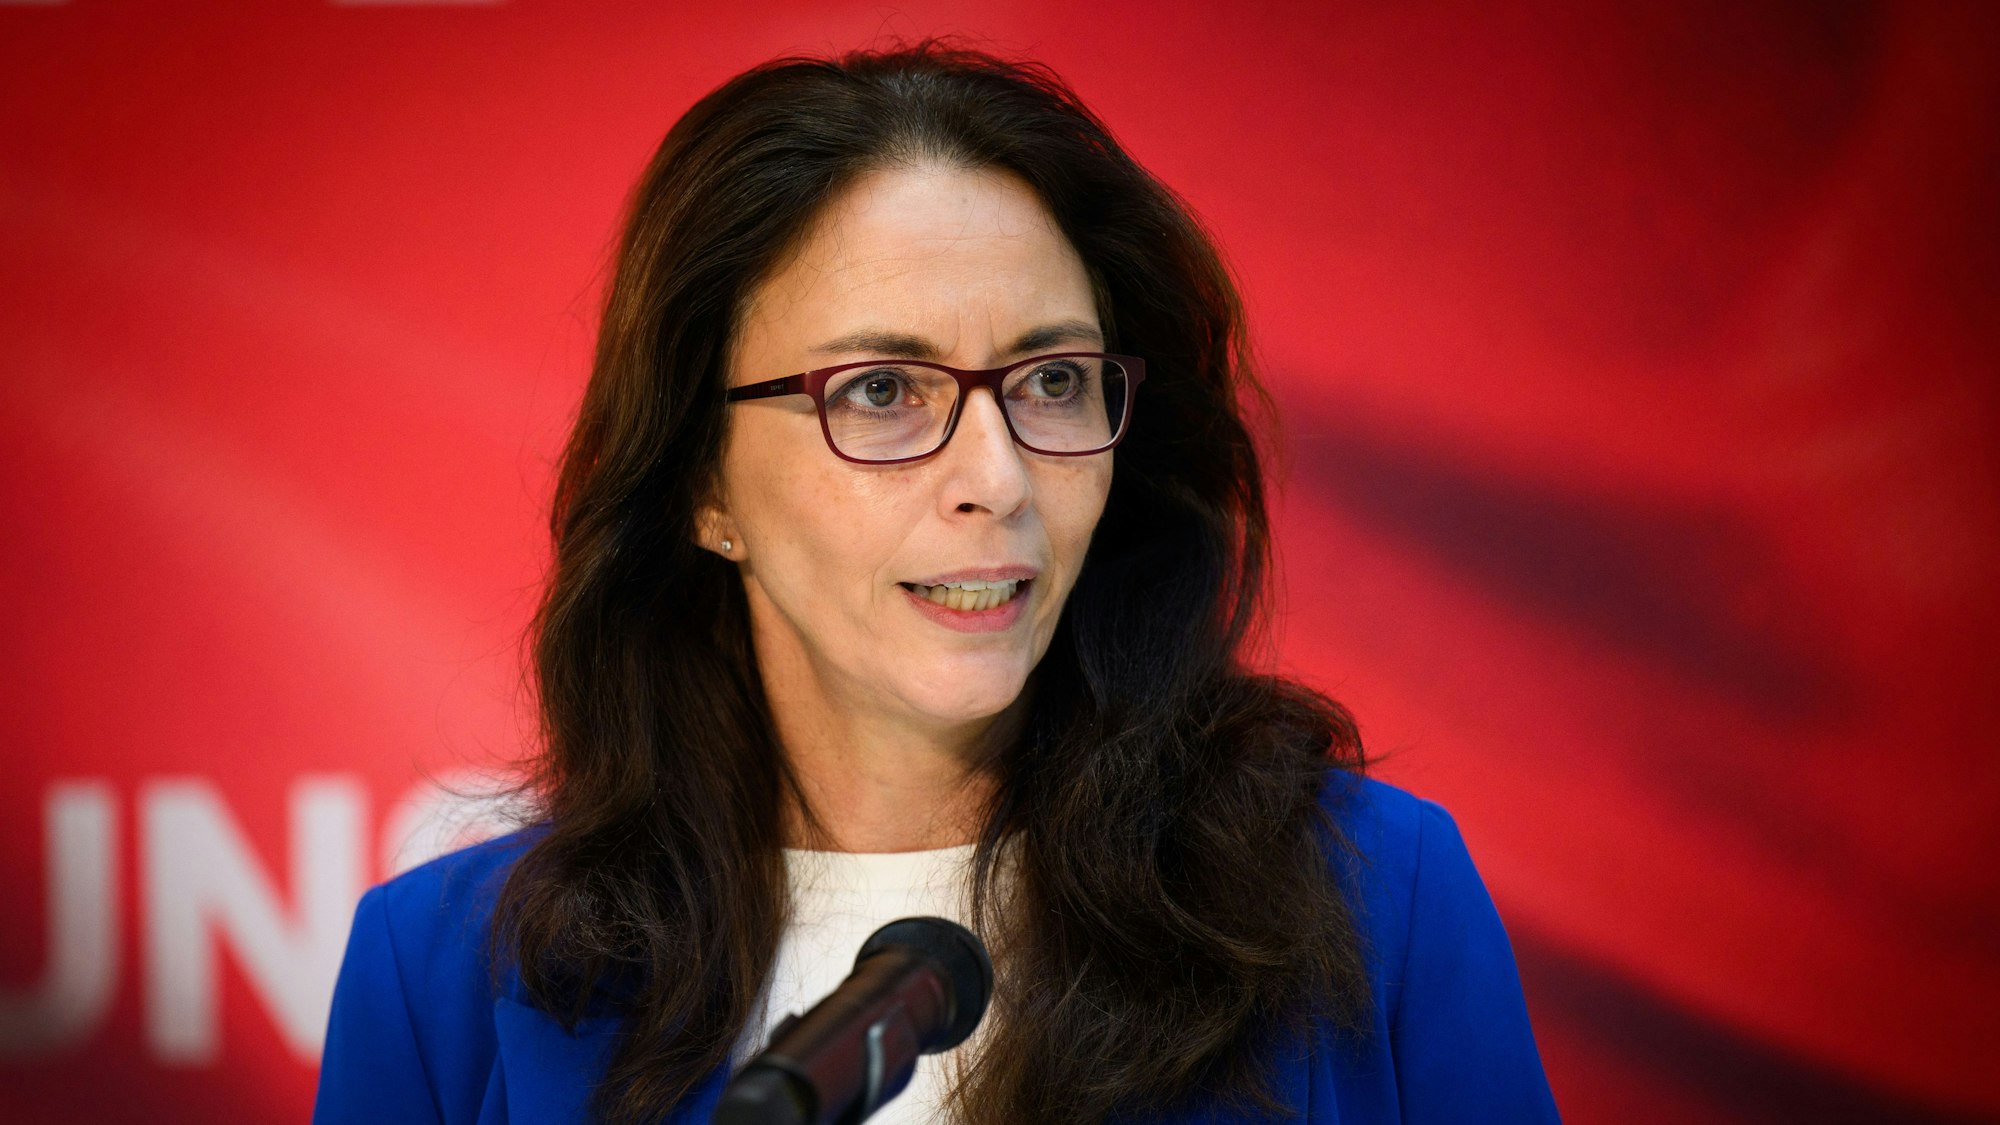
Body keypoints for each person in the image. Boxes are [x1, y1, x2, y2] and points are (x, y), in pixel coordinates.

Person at [314, 42, 1559, 1125]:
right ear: (702, 483)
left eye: (1052, 381)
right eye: (880, 392)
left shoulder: (1371, 896)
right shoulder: (438, 978)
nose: (996, 478)